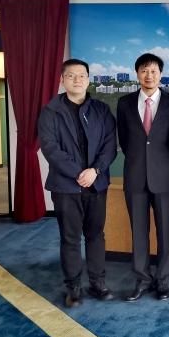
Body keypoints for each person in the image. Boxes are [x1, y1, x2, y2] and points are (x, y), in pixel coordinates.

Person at [38, 58, 117, 308]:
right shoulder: (50, 112)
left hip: (96, 184)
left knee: (96, 235)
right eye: (71, 76)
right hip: (66, 186)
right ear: (62, 80)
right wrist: (79, 173)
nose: (77, 80)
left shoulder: (101, 110)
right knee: (70, 238)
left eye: (82, 75)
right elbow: (50, 149)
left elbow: (110, 145)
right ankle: (73, 287)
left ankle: (98, 283)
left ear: (88, 79)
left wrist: (95, 170)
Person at [117, 53, 169, 302]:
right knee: (139, 231)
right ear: (137, 74)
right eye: (144, 70)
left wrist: (158, 159)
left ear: (160, 74)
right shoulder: (124, 103)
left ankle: (163, 279)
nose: (149, 75)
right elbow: (124, 139)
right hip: (134, 175)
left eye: (153, 71)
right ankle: (142, 279)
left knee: (165, 230)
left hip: (163, 176)